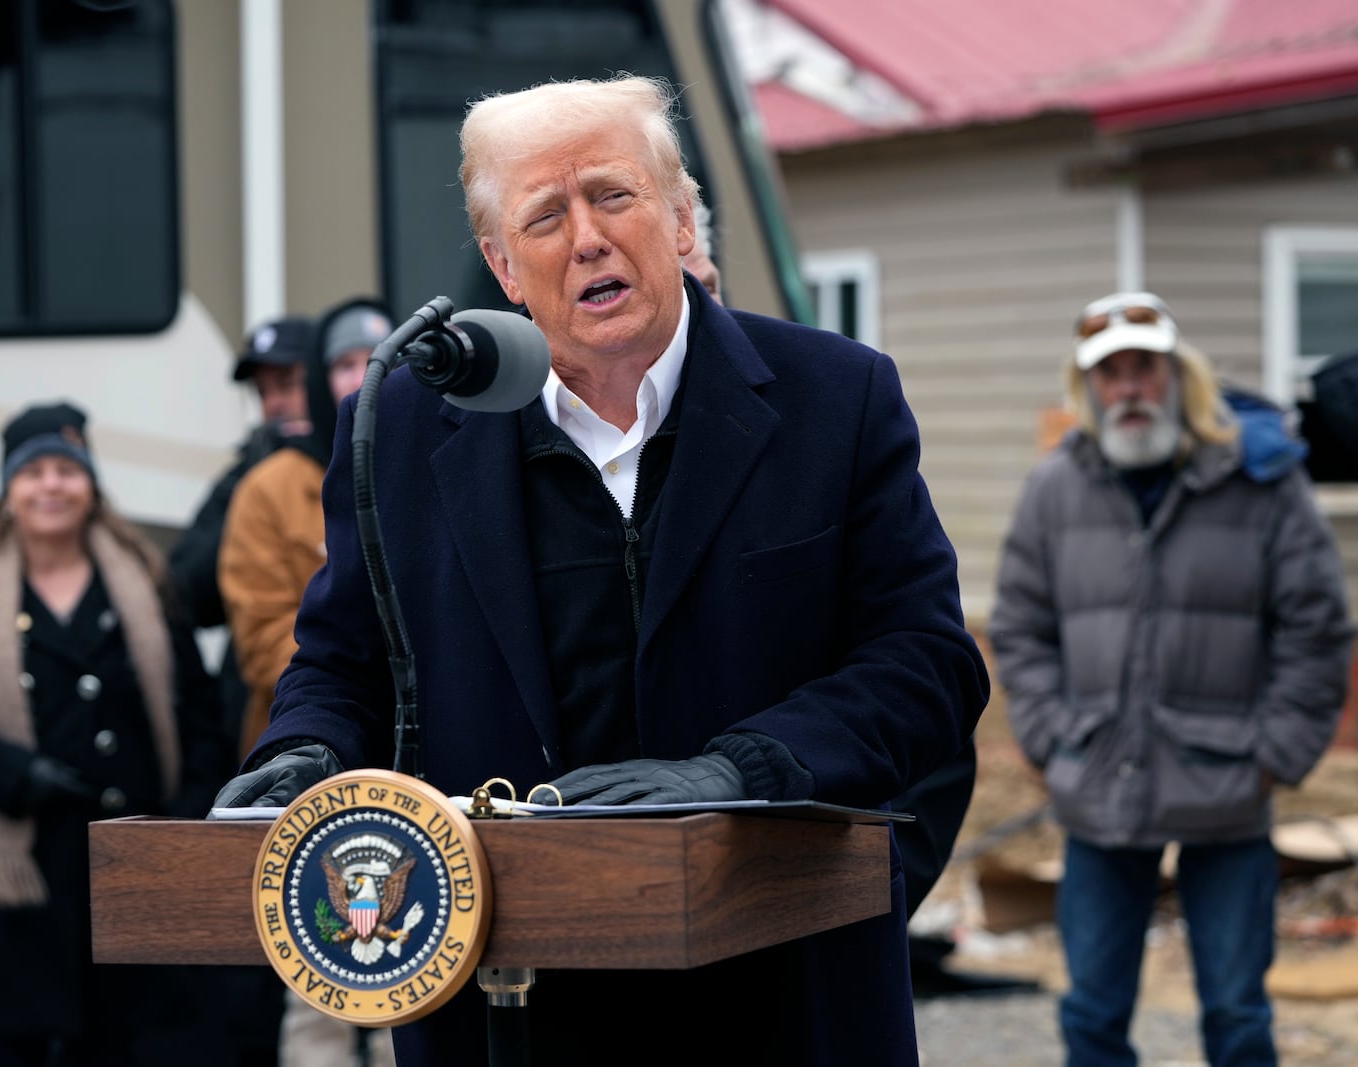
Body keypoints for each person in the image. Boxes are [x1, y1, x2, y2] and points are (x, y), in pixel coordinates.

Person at [212, 74, 988, 1066]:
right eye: (544, 215)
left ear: (673, 218)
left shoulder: (836, 396)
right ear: (502, 265)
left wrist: (733, 773)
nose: (586, 237)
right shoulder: (399, 424)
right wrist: (306, 747)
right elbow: (347, 657)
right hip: (505, 1002)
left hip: (780, 987)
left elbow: (925, 662)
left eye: (613, 196)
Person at [989, 291, 1354, 1067]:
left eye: (1144, 369)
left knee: (1237, 1016)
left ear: (1177, 377)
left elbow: (1318, 629)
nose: (1128, 388)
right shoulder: (1055, 488)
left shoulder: (1260, 481)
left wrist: (1275, 752)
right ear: (1087, 386)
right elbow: (1020, 626)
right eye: (1110, 372)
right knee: (1091, 1014)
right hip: (1096, 789)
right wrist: (1054, 741)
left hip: (1227, 789)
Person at [0, 401, 238, 1066]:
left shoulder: (144, 583)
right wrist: (15, 774)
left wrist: (185, 822)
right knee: (12, 1042)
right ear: (7, 491)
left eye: (67, 469)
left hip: (131, 859)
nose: (51, 485)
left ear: (91, 487)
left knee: (126, 1040)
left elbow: (198, 711)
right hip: (13, 867)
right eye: (33, 472)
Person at [683, 197, 976, 918]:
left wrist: (861, 898)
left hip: (797, 915)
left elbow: (924, 677)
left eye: (702, 290)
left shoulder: (829, 427)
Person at [218, 297, 399, 1067]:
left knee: (421, 975)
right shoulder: (269, 489)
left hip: (432, 773)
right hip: (318, 773)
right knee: (318, 981)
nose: (361, 378)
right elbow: (266, 642)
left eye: (375, 358)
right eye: (343, 365)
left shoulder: (435, 453)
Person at [168, 316, 322, 748]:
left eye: (288, 384)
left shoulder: (376, 459)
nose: (275, 404)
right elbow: (186, 592)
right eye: (264, 392)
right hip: (272, 717)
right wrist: (252, 484)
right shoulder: (248, 479)